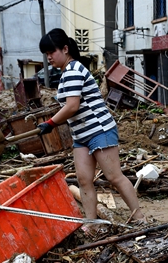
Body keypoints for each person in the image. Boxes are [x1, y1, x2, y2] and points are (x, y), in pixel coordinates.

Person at [37, 28, 145, 226]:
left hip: (99, 129)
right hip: (81, 134)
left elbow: (72, 106)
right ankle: (91, 224)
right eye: (46, 54)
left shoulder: (73, 70)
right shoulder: (66, 73)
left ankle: (140, 219)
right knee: (84, 180)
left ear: (65, 49)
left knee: (114, 177)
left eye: (51, 52)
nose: (49, 57)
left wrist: (50, 123)